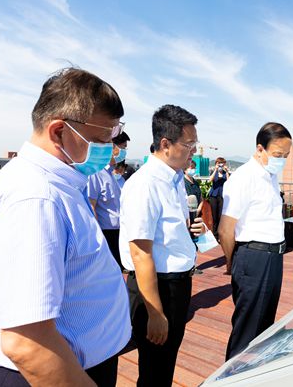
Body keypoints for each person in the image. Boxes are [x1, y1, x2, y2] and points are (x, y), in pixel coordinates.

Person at [0, 68, 130, 386]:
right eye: (100, 140)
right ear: (58, 132)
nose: (108, 149)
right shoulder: (36, 197)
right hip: (56, 373)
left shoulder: (59, 182)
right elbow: (27, 343)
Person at [119, 104, 205, 386]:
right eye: (189, 145)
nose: (193, 152)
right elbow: (140, 252)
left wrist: (189, 230)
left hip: (176, 285)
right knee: (154, 371)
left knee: (164, 366)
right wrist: (155, 313)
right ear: (166, 144)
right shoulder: (145, 184)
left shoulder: (174, 178)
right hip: (156, 288)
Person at [219, 122, 292, 360]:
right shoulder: (244, 178)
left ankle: (255, 375)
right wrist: (231, 262)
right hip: (254, 257)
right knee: (247, 332)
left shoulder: (270, 176)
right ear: (260, 149)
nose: (282, 160)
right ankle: (232, 376)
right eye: (278, 155)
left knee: (264, 328)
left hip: (273, 257)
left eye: (286, 156)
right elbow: (225, 230)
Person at [88, 131, 130, 270]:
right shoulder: (96, 173)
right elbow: (91, 206)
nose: (124, 152)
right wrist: (98, 238)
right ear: (112, 147)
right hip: (106, 233)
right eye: (123, 147)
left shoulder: (110, 173)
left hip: (118, 231)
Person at [208, 157, 229, 236]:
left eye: (222, 163)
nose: (220, 165)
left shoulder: (225, 172)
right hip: (213, 195)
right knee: (214, 216)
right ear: (216, 164)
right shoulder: (213, 172)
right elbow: (210, 180)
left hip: (222, 195)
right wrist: (215, 170)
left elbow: (229, 181)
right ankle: (215, 234)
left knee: (220, 215)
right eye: (218, 163)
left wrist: (227, 171)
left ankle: (220, 233)